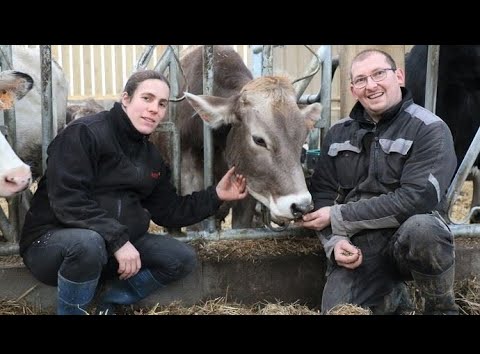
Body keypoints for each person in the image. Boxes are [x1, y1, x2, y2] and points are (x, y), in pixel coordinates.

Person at [19, 70, 248, 315]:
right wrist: (119, 241)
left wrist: (216, 195)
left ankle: (111, 302)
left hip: (110, 249)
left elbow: (169, 211)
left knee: (181, 257)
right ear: (126, 99)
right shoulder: (84, 133)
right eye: (147, 98)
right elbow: (68, 200)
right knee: (88, 244)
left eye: (162, 104)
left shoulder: (151, 158)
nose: (154, 109)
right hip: (53, 245)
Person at [298, 49, 458, 315]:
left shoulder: (429, 129)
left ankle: (440, 306)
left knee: (424, 230)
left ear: (399, 76)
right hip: (361, 244)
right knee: (338, 310)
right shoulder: (338, 134)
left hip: (410, 237)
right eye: (360, 80)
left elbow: (416, 199)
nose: (370, 85)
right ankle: (393, 296)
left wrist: (339, 216)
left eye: (378, 74)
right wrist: (335, 242)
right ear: (352, 89)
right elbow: (321, 197)